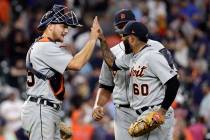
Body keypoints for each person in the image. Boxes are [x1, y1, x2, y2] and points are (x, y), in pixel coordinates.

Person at [21, 4, 100, 140]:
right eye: (63, 26)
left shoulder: (41, 45)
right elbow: (77, 64)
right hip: (41, 109)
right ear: (50, 25)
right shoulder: (45, 47)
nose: (66, 30)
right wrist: (93, 38)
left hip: (45, 108)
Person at [98, 21, 180, 139]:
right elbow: (112, 63)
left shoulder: (152, 56)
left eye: (124, 38)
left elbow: (174, 82)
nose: (122, 41)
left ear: (131, 39)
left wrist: (162, 111)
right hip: (143, 115)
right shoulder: (131, 57)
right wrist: (102, 40)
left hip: (156, 112)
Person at [92, 9, 140, 140]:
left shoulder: (154, 48)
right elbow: (105, 86)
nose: (124, 29)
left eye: (127, 25)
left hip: (147, 111)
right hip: (122, 113)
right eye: (121, 26)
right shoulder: (111, 52)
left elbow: (172, 80)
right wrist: (98, 105)